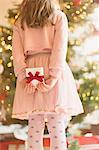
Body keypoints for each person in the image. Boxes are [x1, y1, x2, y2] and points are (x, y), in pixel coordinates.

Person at [12, 0, 84, 149]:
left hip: (31, 71)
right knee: (56, 125)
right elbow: (59, 49)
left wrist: (24, 76)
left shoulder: (20, 22)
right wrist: (53, 76)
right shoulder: (58, 17)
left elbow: (17, 54)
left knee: (34, 125)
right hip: (53, 67)